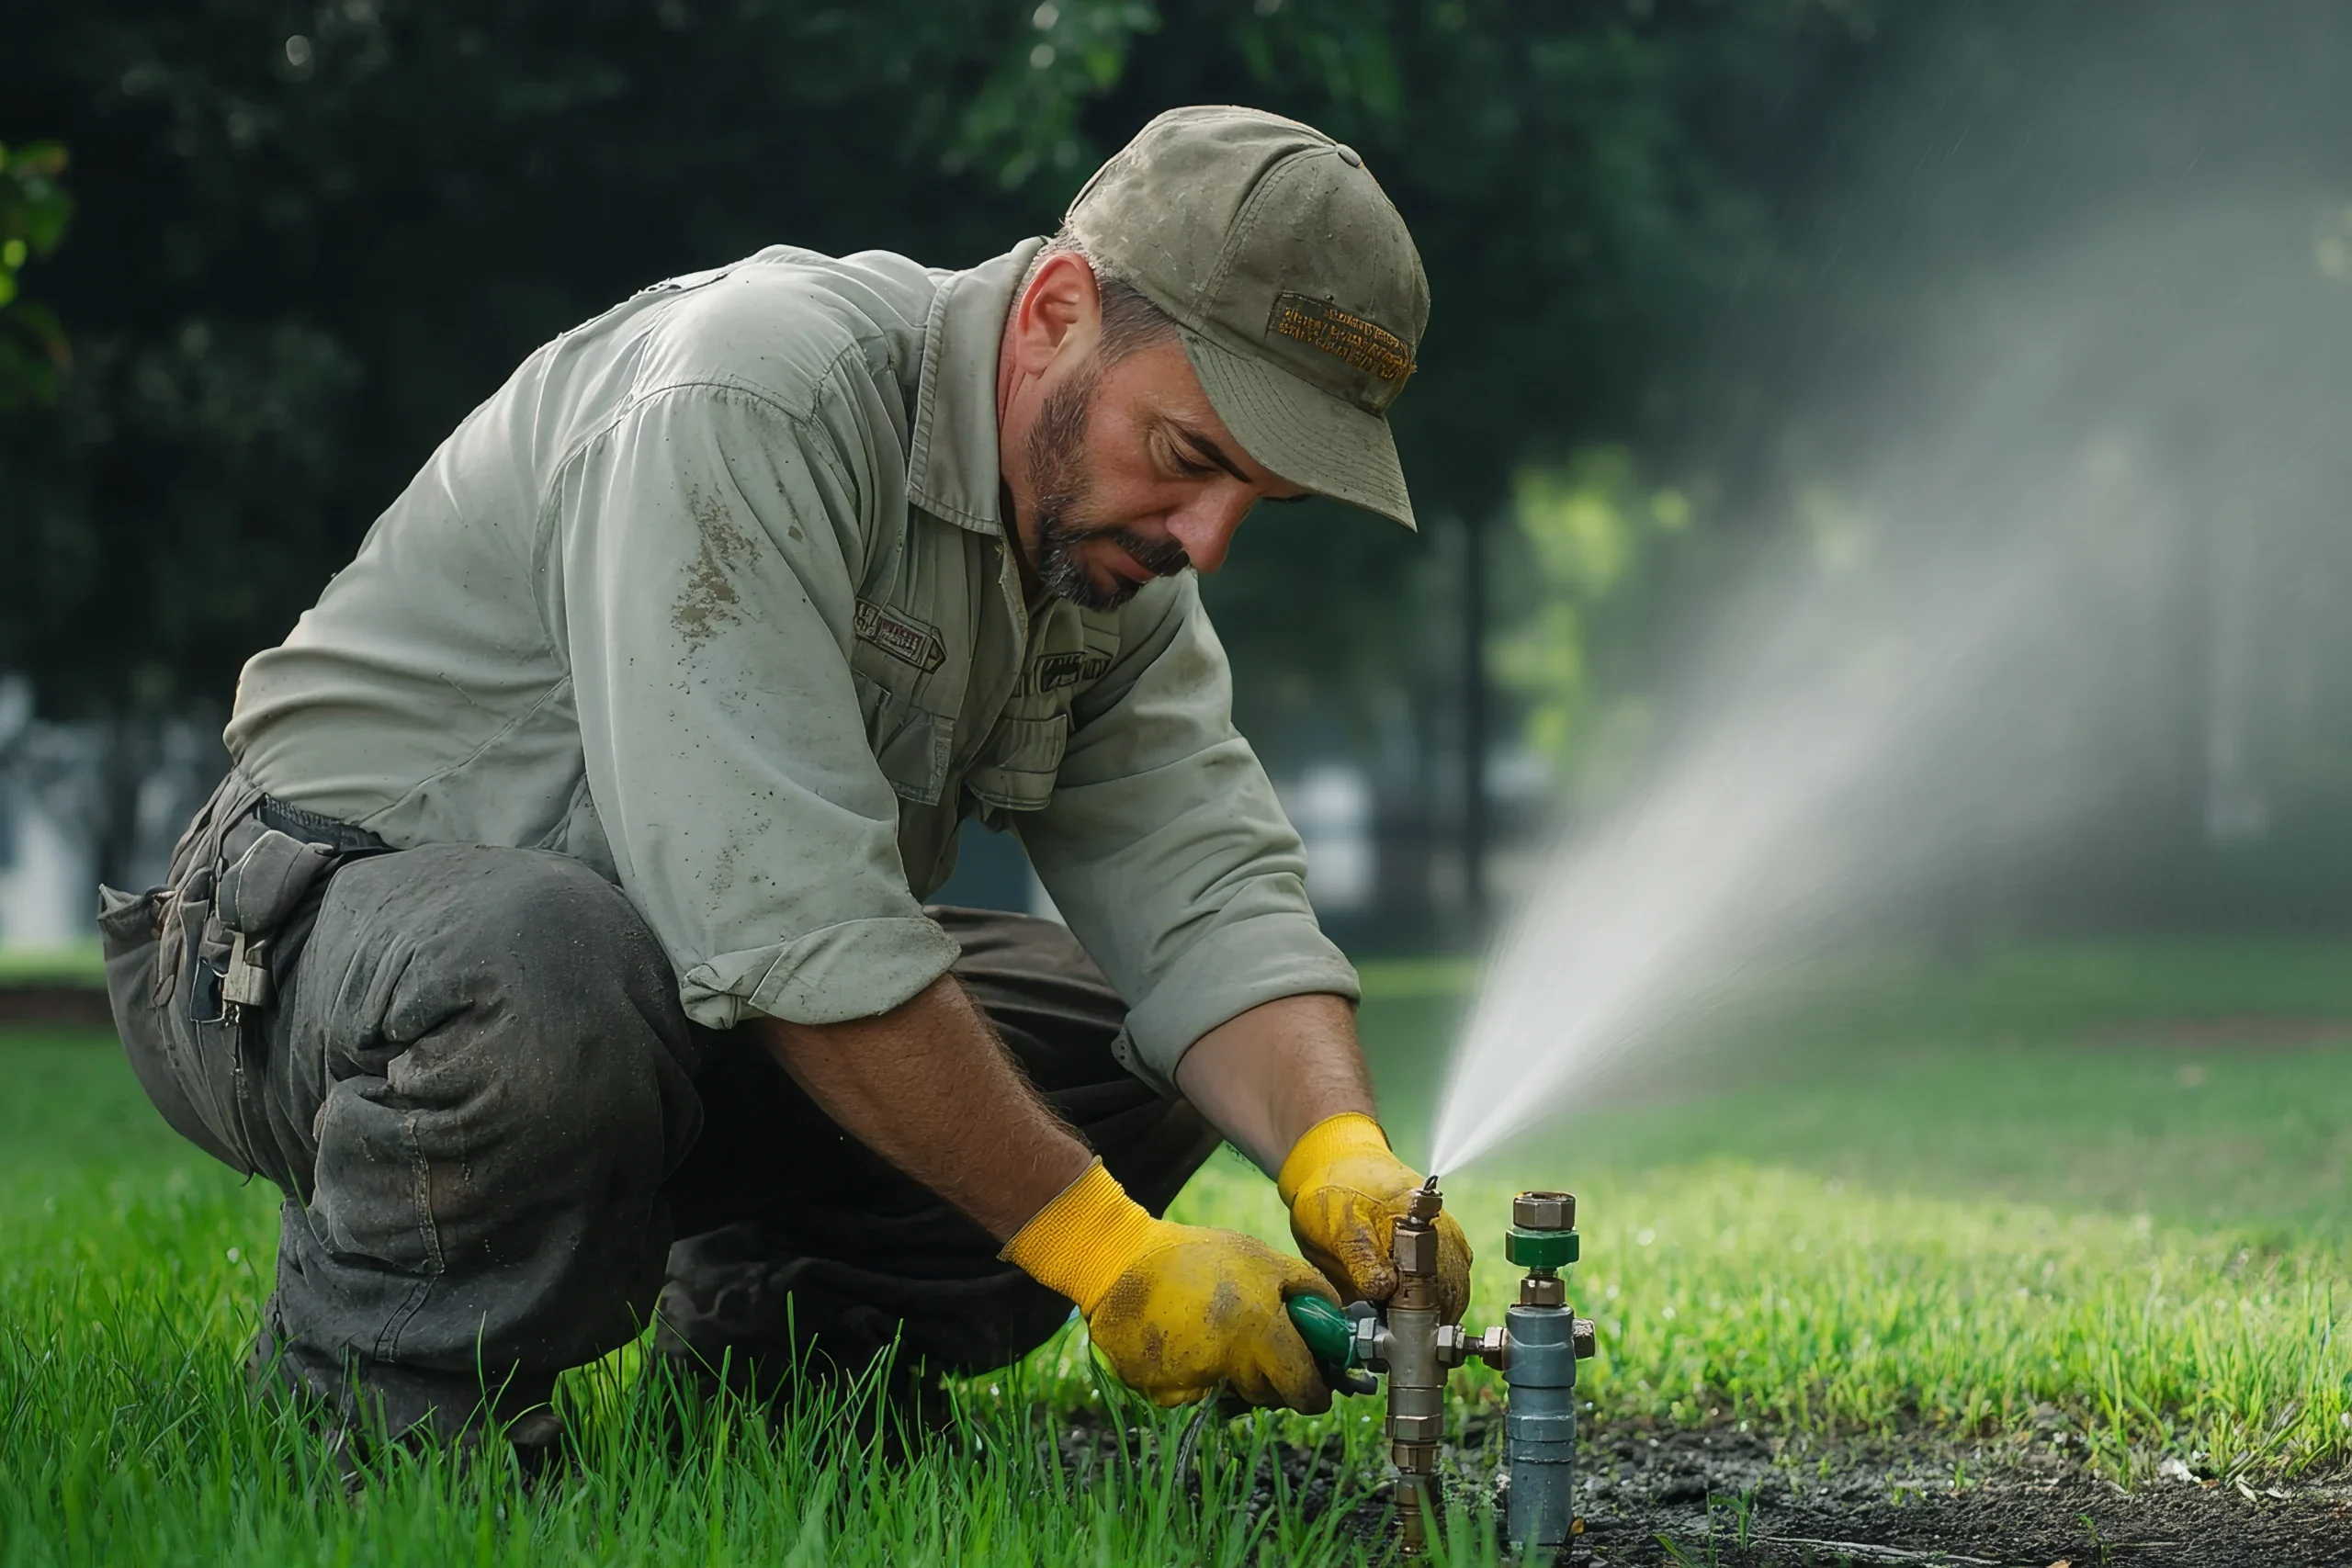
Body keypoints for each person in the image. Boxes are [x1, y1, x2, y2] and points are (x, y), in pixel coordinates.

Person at [99, 104, 1472, 1460]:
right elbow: (790, 917)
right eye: (1190, 457)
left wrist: (1333, 1149)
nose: (1209, 540)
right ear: (1057, 312)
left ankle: (787, 1383)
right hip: (299, 951)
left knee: (1131, 1035)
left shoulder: (1106, 556)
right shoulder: (755, 397)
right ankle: (372, 1413)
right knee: (547, 965)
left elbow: (1208, 893)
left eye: (1259, 500)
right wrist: (1111, 1254)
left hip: (659, 999)